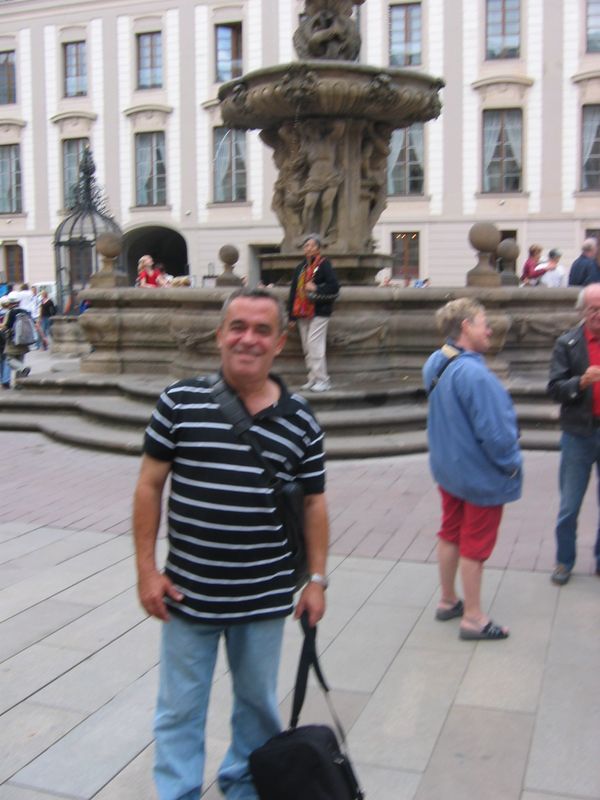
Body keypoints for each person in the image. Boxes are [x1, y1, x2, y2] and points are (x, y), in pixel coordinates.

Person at [133, 287, 330, 800]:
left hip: (263, 598)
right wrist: (146, 570)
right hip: (187, 593)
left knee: (257, 706)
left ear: (281, 342)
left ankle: (243, 786)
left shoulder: (302, 420)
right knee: (179, 707)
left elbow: (314, 504)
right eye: (238, 327)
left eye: (262, 330)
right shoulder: (180, 402)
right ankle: (178, 792)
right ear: (220, 335)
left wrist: (316, 581)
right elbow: (149, 485)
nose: (248, 339)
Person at [423, 298, 522, 640]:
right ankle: (474, 618)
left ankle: (448, 599)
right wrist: (511, 466)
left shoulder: (436, 361)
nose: (489, 329)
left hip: (449, 470)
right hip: (479, 476)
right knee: (475, 546)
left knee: (450, 531)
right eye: (483, 323)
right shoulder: (477, 375)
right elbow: (497, 435)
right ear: (466, 327)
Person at [547, 284, 600, 584]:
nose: (598, 314)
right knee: (569, 504)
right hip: (578, 433)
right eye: (592, 308)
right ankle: (563, 562)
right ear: (582, 311)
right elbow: (554, 389)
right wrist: (580, 383)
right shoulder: (567, 343)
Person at [287, 235, 339, 392]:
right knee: (307, 346)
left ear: (318, 248)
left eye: (311, 245)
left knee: (314, 344)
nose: (308, 248)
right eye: (306, 246)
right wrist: (291, 315)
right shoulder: (300, 268)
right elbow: (293, 292)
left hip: (319, 311)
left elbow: (334, 286)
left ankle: (323, 379)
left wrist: (316, 288)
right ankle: (313, 377)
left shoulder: (324, 265)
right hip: (302, 311)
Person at [0, 291, 32, 386]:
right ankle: (19, 384)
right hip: (25, 340)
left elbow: (6, 326)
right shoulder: (24, 311)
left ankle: (23, 368)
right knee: (20, 359)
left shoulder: (11, 312)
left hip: (13, 340)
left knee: (10, 359)